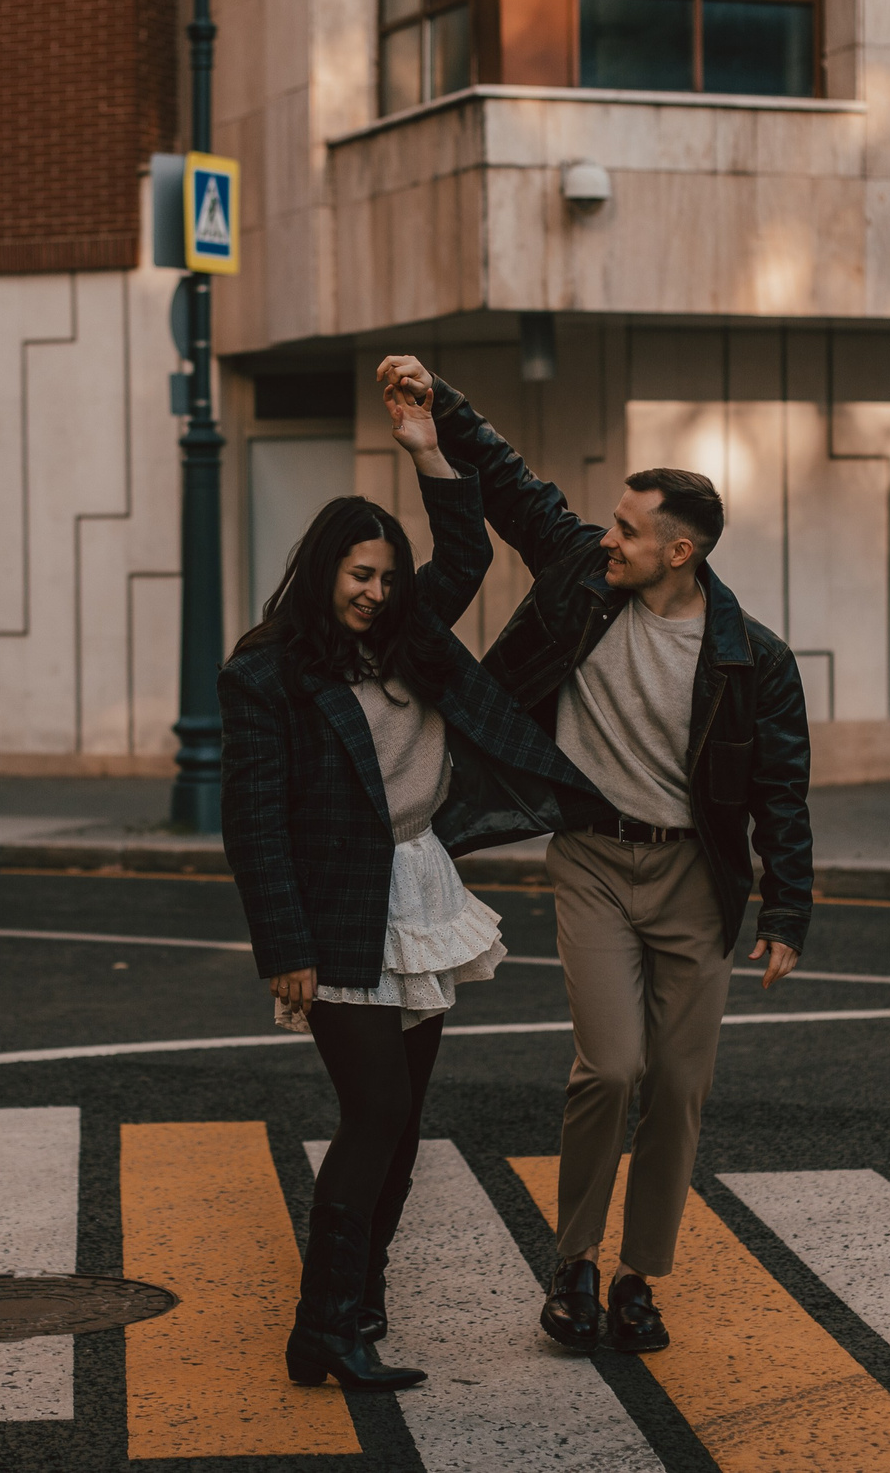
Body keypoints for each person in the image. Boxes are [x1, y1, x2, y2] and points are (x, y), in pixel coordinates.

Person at [376, 355, 813, 1357]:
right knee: (610, 1070)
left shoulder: (754, 659)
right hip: (592, 860)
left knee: (679, 1088)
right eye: (611, 523)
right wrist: (440, 405)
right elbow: (510, 484)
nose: (606, 537)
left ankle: (637, 1277)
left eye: (628, 529)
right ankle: (572, 1261)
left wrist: (787, 910)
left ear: (678, 552)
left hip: (694, 881)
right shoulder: (581, 574)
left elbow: (779, 793)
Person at [220, 378, 612, 1393]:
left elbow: (469, 553)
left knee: (401, 1118)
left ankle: (359, 1302)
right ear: (322, 571)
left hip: (419, 887)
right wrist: (285, 948)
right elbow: (253, 822)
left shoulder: (408, 635)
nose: (376, 592)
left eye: (389, 577)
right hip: (338, 909)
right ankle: (321, 1327)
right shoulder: (265, 674)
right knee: (375, 1112)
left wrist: (427, 449)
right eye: (360, 574)